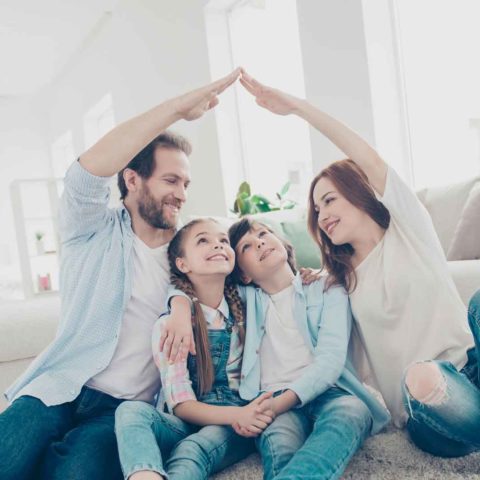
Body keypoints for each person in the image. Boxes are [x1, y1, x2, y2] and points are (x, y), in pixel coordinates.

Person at [0, 69, 241, 480]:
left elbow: (245, 272)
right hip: (60, 386)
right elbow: (82, 176)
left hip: (122, 408)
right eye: (170, 179)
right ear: (132, 179)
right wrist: (176, 111)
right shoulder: (90, 227)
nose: (181, 193)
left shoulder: (186, 254)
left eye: (185, 182)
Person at [238, 69, 480, 457]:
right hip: (426, 409)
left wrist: (298, 108)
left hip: (472, 368)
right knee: (423, 377)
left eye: (330, 199)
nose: (322, 214)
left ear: (359, 190)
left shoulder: (409, 229)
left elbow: (366, 155)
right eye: (317, 209)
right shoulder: (337, 282)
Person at [165, 217, 390, 479]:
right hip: (269, 398)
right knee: (279, 445)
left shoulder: (327, 288)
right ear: (243, 273)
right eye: (246, 247)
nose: (259, 242)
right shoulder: (242, 299)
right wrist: (179, 305)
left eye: (263, 233)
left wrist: (278, 405)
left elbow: (330, 360)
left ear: (284, 245)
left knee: (352, 412)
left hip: (330, 391)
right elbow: (193, 282)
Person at [115, 218, 275, 480]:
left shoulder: (249, 306)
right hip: (187, 420)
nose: (218, 245)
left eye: (223, 241)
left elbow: (279, 283)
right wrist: (179, 304)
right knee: (129, 411)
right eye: (203, 240)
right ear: (182, 263)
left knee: (193, 449)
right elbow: (181, 406)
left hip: (232, 423)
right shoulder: (171, 326)